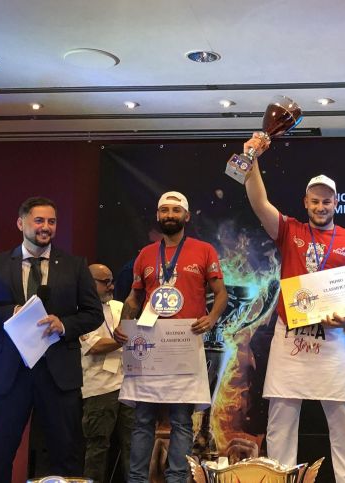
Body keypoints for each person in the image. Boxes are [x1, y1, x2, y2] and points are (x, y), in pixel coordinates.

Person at [243, 134, 345, 483]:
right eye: (315, 201)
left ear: (336, 203)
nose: (320, 207)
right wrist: (252, 158)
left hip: (335, 338)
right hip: (291, 336)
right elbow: (259, 202)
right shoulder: (290, 230)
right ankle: (280, 479)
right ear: (306, 202)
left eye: (326, 201)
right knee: (281, 420)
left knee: (344, 421)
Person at [0, 196, 103, 482]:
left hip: (58, 375)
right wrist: (11, 312)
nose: (46, 227)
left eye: (52, 221)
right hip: (9, 375)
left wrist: (64, 324)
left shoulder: (75, 265)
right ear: (20, 223)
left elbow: (93, 314)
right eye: (39, 220)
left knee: (67, 455)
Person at [114, 191, 228, 483]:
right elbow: (134, 297)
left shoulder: (204, 250)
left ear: (186, 216)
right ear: (157, 215)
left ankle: (177, 479)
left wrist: (211, 318)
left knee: (181, 421)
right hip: (150, 343)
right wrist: (124, 325)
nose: (169, 215)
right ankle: (137, 480)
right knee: (143, 421)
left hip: (184, 343)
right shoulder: (145, 254)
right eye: (164, 210)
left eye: (176, 210)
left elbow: (221, 293)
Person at [81, 264, 134, 482]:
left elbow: (137, 330)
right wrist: (124, 340)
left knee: (133, 446)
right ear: (88, 283)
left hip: (128, 385)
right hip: (99, 388)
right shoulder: (79, 311)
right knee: (97, 447)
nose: (111, 286)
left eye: (111, 281)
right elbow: (94, 346)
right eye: (105, 282)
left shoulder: (119, 306)